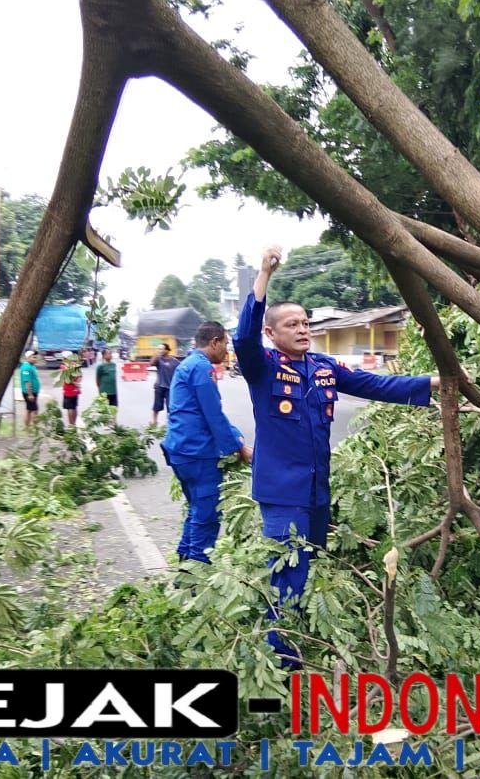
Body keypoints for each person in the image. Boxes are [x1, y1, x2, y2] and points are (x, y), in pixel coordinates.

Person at [234, 245, 440, 667]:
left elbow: (374, 385)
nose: (303, 329)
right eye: (292, 324)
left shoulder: (325, 366)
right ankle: (283, 665)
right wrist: (263, 276)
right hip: (282, 491)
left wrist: (434, 382)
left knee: (307, 569)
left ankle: (298, 644)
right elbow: (243, 337)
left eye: (306, 322)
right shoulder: (263, 367)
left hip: (316, 491)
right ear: (273, 334)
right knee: (286, 573)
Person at [162, 322, 253, 564]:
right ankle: (196, 578)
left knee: (196, 511)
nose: (227, 350)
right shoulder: (202, 369)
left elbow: (199, 411)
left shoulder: (188, 365)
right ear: (214, 342)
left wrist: (235, 435)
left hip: (181, 450)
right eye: (225, 344)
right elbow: (212, 414)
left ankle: (184, 566)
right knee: (207, 517)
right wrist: (239, 447)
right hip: (197, 453)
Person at [151, 343, 179, 426]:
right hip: (159, 386)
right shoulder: (158, 360)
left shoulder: (174, 361)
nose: (160, 350)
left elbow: (180, 370)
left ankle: (170, 423)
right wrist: (156, 354)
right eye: (159, 349)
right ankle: (154, 422)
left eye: (162, 349)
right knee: (157, 406)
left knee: (170, 407)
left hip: (170, 388)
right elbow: (151, 363)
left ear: (167, 350)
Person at [60, 351, 82, 426]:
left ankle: (71, 425)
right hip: (76, 390)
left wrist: (74, 383)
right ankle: (74, 424)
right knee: (74, 407)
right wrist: (77, 383)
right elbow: (80, 376)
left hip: (68, 390)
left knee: (69, 408)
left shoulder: (64, 366)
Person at [19, 350, 41, 427]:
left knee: (30, 409)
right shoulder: (26, 367)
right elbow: (27, 381)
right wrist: (30, 394)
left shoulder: (32, 366)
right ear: (28, 358)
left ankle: (29, 427)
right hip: (29, 392)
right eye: (34, 357)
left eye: (36, 357)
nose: (36, 359)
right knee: (34, 410)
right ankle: (34, 428)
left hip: (33, 392)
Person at [96, 349, 118, 418]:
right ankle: (106, 425)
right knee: (105, 410)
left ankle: (113, 424)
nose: (110, 355)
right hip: (104, 392)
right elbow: (97, 379)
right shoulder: (100, 366)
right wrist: (100, 391)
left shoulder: (113, 365)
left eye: (110, 353)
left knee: (114, 409)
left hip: (113, 391)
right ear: (103, 356)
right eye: (108, 353)